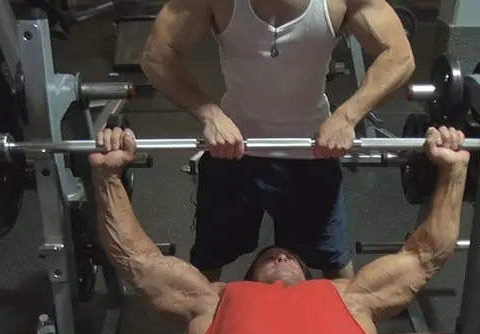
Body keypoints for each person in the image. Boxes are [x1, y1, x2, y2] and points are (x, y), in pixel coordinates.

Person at [90, 124, 469, 334]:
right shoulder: (216, 304)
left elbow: (426, 256)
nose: (282, 257)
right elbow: (138, 263)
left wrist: (454, 170)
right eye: (270, 257)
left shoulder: (348, 297)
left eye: (288, 257)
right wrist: (107, 177)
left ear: (313, 277)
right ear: (248, 279)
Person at [140, 0, 415, 283]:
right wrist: (209, 114)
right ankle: (203, 326)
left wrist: (348, 116)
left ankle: (343, 325)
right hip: (234, 151)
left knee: (334, 263)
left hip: (311, 151)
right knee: (208, 262)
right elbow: (157, 55)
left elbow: (399, 55)